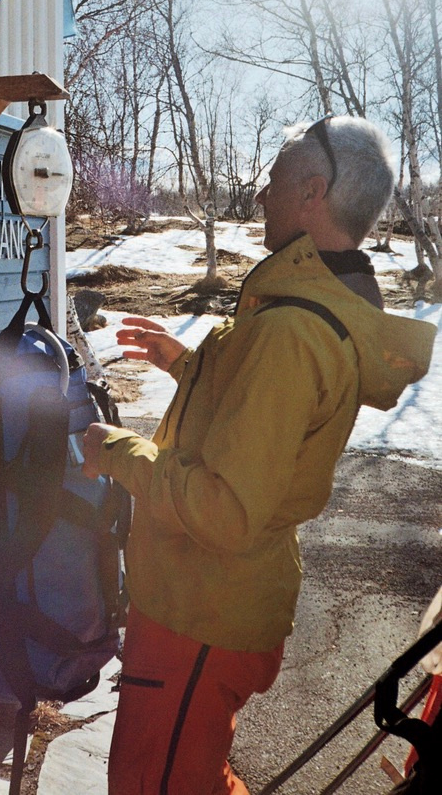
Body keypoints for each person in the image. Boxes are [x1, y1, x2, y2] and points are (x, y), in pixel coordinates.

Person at [82, 115, 437, 795]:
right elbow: (265, 419)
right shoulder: (310, 308)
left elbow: (227, 511)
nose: (258, 196)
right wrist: (189, 366)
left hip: (200, 615)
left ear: (312, 192)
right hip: (209, 609)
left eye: (272, 179)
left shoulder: (291, 330)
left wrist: (116, 451)